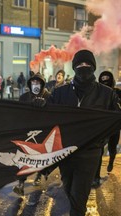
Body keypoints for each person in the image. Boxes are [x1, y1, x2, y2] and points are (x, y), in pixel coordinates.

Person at [47, 50, 121, 216]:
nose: (83, 67)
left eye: (87, 64)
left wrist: (102, 139)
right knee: (69, 190)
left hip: (90, 154)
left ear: (93, 67)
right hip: (65, 153)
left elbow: (116, 120)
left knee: (78, 198)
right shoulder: (60, 93)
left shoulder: (107, 94)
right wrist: (38, 105)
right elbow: (46, 115)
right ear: (74, 67)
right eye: (79, 65)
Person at [13, 73, 51, 195]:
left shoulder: (49, 96)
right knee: (23, 157)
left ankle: (39, 174)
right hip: (27, 132)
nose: (35, 85)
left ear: (42, 84)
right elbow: (18, 113)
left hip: (43, 133)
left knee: (41, 156)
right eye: (33, 83)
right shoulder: (24, 97)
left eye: (38, 83)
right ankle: (21, 183)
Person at [96, 71, 121, 174]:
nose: (105, 79)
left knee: (112, 147)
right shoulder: (97, 92)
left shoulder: (118, 92)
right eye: (103, 77)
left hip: (114, 125)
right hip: (101, 125)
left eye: (107, 77)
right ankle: (96, 175)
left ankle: (111, 160)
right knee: (99, 150)